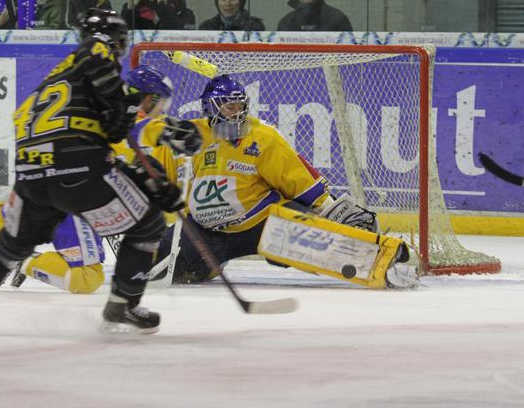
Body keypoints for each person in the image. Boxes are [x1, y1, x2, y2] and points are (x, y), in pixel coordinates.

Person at [0, 9, 192, 335]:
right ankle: (123, 304)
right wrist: (127, 108)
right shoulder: (98, 52)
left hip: (32, 171)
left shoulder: (56, 78)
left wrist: (139, 163)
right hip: (75, 169)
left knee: (10, 245)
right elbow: (112, 129)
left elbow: (101, 130)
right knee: (148, 224)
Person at [0, 64, 196, 295]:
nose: (162, 110)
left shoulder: (99, 104)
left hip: (43, 175)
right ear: (148, 98)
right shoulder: (131, 119)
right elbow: (147, 130)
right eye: (160, 103)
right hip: (78, 198)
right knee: (87, 279)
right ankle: (24, 262)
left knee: (6, 218)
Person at [149, 75, 390, 284]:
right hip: (207, 232)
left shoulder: (262, 136)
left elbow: (298, 182)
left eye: (240, 106)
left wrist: (329, 210)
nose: (237, 113)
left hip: (265, 224)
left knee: (318, 242)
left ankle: (380, 261)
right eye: (229, 107)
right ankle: (211, 263)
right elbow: (153, 154)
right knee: (157, 264)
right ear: (210, 108)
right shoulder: (191, 135)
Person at [198, 0, 265, 31]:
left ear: (241, 2)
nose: (227, 4)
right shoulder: (207, 27)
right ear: (217, 3)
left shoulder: (254, 26)